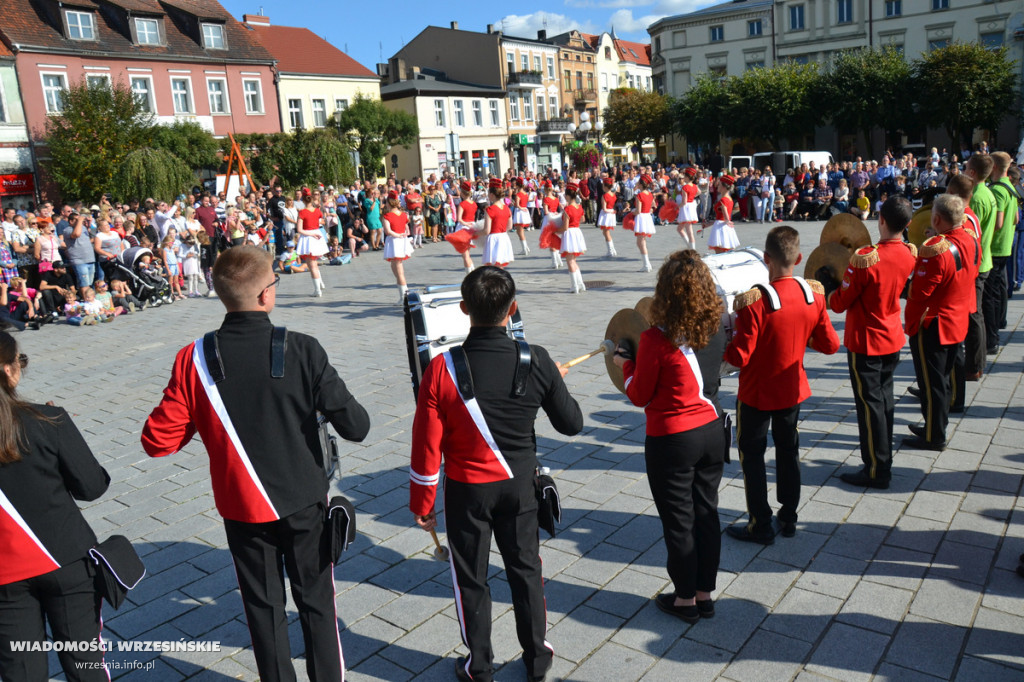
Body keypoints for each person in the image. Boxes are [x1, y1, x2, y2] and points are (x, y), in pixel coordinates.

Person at [141, 246, 370, 682]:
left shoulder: (192, 359)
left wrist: (201, 414)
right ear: (267, 293)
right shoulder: (303, 349)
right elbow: (357, 426)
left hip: (241, 505)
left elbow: (157, 442)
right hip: (303, 499)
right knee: (316, 603)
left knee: (262, 610)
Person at [409, 267, 583, 682]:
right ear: (514, 308)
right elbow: (572, 424)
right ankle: (537, 659)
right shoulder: (536, 359)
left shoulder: (440, 368)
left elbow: (425, 445)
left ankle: (479, 666)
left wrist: (423, 503)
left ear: (464, 309)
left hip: (468, 492)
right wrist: (553, 381)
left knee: (471, 579)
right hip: (520, 487)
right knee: (526, 570)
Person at [614, 250, 727, 623]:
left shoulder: (654, 339)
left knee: (679, 520)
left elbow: (639, 395)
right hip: (712, 429)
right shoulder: (716, 326)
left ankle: (684, 600)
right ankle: (705, 594)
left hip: (673, 439)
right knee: (706, 514)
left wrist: (625, 363)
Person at [0, 333, 112, 680]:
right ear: (9, 371)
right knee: (86, 667)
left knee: (21, 672)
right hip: (66, 559)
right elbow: (92, 487)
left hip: (4, 575)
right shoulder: (47, 420)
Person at [724, 226, 839, 543]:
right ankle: (788, 517)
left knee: (753, 456)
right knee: (789, 452)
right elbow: (830, 345)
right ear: (799, 257)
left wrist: (722, 344)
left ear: (765, 259)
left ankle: (760, 523)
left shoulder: (755, 301)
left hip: (757, 394)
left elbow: (739, 357)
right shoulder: (813, 294)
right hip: (792, 390)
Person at [821, 196, 917, 489]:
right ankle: (882, 458)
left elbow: (839, 303)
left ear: (881, 220)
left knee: (869, 406)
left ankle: (876, 468)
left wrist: (827, 289)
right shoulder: (910, 253)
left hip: (865, 341)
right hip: (892, 336)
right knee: (884, 401)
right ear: (909, 224)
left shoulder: (866, 258)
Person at [903, 195, 971, 451]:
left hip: (933, 323)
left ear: (937, 219)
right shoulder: (970, 237)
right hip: (957, 317)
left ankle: (934, 436)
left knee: (931, 384)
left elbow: (918, 293)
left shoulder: (935, 249)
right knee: (941, 380)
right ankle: (934, 426)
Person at [964, 154, 995, 378]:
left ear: (973, 173)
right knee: (977, 313)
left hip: (976, 264)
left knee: (974, 315)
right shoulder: (988, 192)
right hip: (985, 260)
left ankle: (974, 365)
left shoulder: (975, 198)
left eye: (966, 168)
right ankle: (977, 361)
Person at [985, 152, 1016, 351]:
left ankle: (992, 335)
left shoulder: (997, 190)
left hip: (995, 247)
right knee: (1000, 288)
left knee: (991, 294)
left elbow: (999, 222)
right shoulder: (1011, 186)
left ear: (993, 167)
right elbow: (1016, 220)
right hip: (1006, 244)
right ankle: (999, 323)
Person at [381, 191, 413, 303]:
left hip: (395, 241)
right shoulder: (403, 215)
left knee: (399, 271)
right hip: (400, 240)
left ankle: (405, 296)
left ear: (389, 203)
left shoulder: (387, 216)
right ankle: (402, 293)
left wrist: (398, 235)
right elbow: (407, 229)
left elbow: (388, 231)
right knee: (395, 265)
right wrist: (402, 234)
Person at [445, 181, 481, 274]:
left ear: (462, 192)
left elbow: (459, 219)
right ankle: (473, 273)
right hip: (472, 226)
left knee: (465, 255)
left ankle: (470, 275)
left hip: (464, 228)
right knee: (467, 254)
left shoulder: (462, 204)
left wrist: (466, 224)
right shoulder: (474, 204)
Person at [296, 197, 328, 297]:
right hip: (317, 235)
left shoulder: (302, 212)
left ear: (304, 200)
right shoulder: (318, 211)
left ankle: (317, 290)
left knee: (312, 265)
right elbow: (321, 221)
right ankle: (320, 283)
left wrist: (311, 234)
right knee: (313, 263)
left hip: (308, 238)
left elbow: (300, 230)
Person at [560, 181, 588, 293]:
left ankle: (575, 285)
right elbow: (583, 219)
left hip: (570, 233)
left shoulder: (567, 209)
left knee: (570, 260)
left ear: (567, 195)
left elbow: (565, 227)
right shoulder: (579, 207)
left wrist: (554, 230)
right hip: (577, 232)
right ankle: (580, 284)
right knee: (574, 260)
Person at [482, 178, 514, 269]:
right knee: (500, 265)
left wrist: (475, 233)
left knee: (492, 267)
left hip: (493, 238)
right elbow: (510, 226)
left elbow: (486, 230)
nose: (488, 196)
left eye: (488, 194)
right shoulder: (506, 208)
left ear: (492, 195)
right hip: (503, 237)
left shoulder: (490, 209)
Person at [629, 174, 658, 272]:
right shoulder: (649, 194)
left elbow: (638, 211)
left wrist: (631, 211)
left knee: (641, 242)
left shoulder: (640, 195)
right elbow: (653, 206)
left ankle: (646, 264)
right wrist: (649, 210)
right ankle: (647, 264)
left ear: (641, 184)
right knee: (642, 241)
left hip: (641, 218)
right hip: (647, 217)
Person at [706, 175, 738, 254]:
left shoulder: (723, 200)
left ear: (724, 187)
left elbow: (724, 212)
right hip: (724, 226)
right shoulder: (729, 199)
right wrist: (708, 224)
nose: (717, 186)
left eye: (719, 184)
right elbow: (720, 217)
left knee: (719, 252)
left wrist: (727, 220)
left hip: (721, 227)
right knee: (725, 251)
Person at [597, 177, 619, 257]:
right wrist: (612, 211)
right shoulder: (613, 195)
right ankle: (611, 250)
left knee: (606, 232)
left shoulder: (604, 196)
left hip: (607, 215)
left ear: (606, 187)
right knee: (605, 232)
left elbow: (604, 208)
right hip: (610, 214)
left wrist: (611, 211)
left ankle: (611, 250)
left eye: (603, 186)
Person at [511, 178, 532, 256]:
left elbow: (517, 204)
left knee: (520, 231)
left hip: (520, 212)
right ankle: (526, 247)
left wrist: (519, 206)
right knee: (520, 231)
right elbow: (525, 202)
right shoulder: (525, 193)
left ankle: (525, 249)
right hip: (524, 211)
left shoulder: (518, 194)